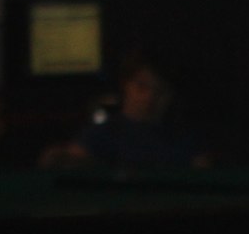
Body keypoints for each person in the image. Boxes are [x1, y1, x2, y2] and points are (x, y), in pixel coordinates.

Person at [43, 57, 205, 173]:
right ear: (125, 85)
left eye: (160, 91)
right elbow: (68, 164)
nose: (149, 97)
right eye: (142, 86)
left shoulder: (184, 139)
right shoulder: (101, 135)